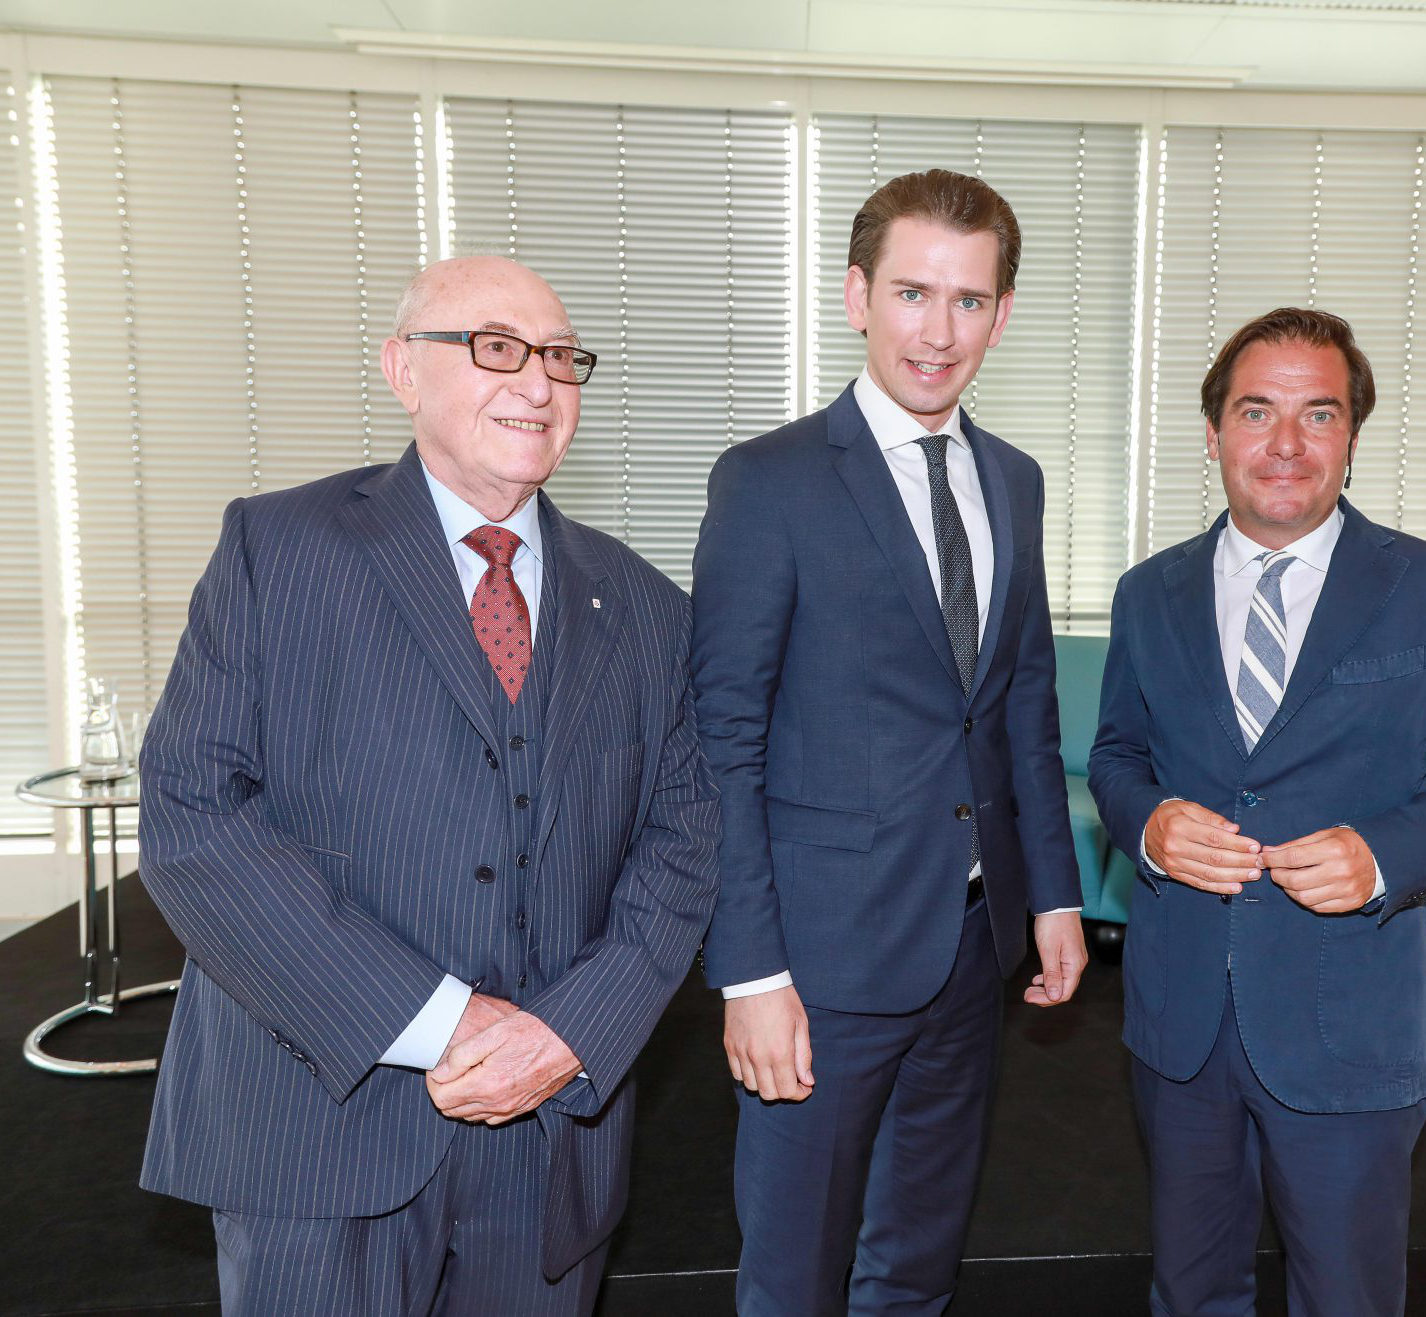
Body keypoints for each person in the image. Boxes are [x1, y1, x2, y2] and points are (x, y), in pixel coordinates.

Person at [137, 255, 719, 1315]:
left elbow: (680, 853)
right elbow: (194, 819)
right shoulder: (280, 551)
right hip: (318, 1124)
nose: (538, 384)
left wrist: (566, 1035)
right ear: (405, 370)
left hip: (548, 1138)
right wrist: (442, 1022)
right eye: (496, 348)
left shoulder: (646, 606)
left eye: (560, 358)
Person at [1089, 306, 1426, 1317]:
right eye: (1257, 413)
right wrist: (1150, 824)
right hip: (1181, 1026)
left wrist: (1383, 854)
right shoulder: (1145, 595)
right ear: (1213, 435)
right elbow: (1117, 755)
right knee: (1190, 1291)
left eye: (1319, 414)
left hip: (1351, 1026)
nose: (1286, 445)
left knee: (1346, 1297)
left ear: (1351, 435)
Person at [691, 169, 1088, 1316]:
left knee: (919, 1258)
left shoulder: (1014, 480)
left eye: (968, 301)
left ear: (1002, 315)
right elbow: (723, 738)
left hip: (973, 945)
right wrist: (751, 972)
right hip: (819, 962)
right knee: (797, 1271)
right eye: (913, 293)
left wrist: (1052, 896)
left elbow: (1019, 701)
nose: (938, 331)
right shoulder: (768, 483)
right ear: (859, 295)